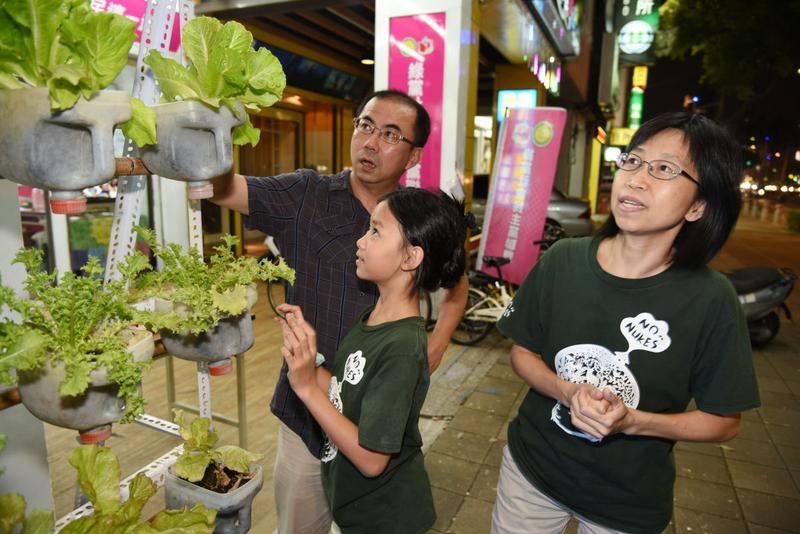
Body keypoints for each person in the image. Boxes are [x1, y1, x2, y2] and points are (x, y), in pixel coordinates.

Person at [209, 89, 468, 534]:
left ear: (412, 156)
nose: (370, 142)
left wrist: (437, 343)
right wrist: (212, 134)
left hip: (373, 413)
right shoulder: (306, 194)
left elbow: (457, 281)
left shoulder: (415, 219)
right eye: (365, 126)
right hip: (308, 412)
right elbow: (225, 189)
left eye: (390, 134)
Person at [491, 112, 760, 534]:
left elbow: (724, 421)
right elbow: (522, 351)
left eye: (665, 169)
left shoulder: (711, 299)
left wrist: (635, 421)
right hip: (531, 472)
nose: (636, 179)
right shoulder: (564, 259)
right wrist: (567, 389)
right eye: (632, 161)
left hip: (627, 503)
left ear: (698, 205)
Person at [276, 188, 466, 534]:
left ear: (410, 258)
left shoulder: (403, 348)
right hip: (357, 510)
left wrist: (306, 390)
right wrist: (308, 359)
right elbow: (343, 391)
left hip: (386, 519)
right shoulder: (374, 316)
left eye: (376, 231)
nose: (360, 241)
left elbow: (371, 459)